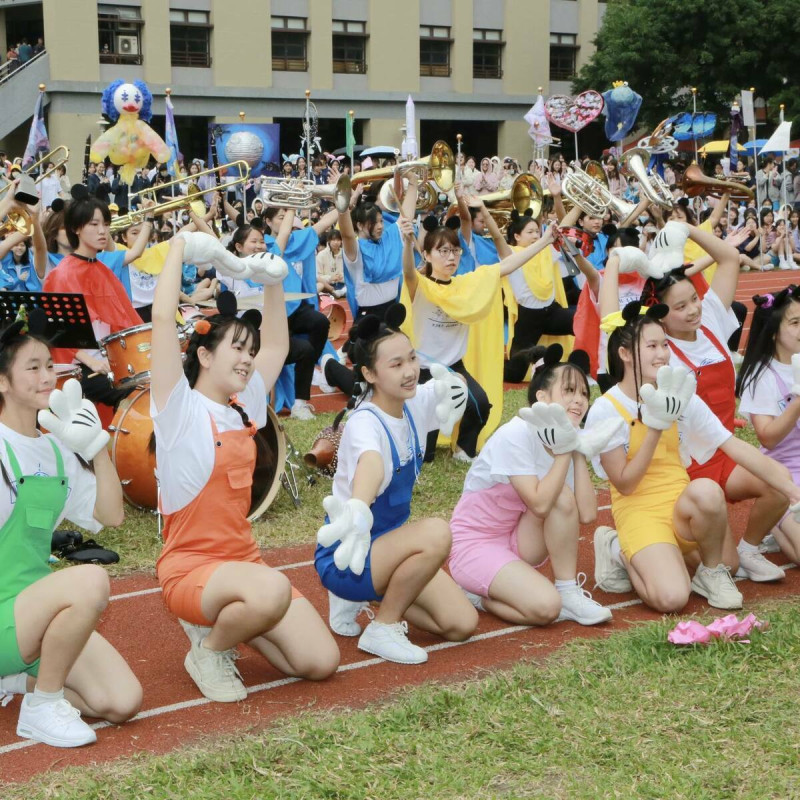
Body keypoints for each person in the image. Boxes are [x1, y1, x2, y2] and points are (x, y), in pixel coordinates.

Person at [150, 233, 339, 702]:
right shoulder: (178, 409)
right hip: (190, 568)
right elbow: (158, 317)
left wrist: (274, 283)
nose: (247, 357)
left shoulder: (244, 402)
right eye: (236, 348)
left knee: (320, 663)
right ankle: (209, 648)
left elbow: (276, 345)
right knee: (272, 591)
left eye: (248, 351)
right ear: (204, 356)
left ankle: (233, 620)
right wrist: (176, 249)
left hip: (243, 563)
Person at [0, 310, 141, 747]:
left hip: (35, 609)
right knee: (90, 580)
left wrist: (97, 450)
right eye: (34, 368)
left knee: (122, 702)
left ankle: (17, 683)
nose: (49, 376)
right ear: (2, 382)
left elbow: (112, 516)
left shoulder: (58, 451)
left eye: (49, 365)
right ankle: (43, 706)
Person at [315, 306, 477, 664]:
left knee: (461, 623)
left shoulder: (413, 401)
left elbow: (448, 385)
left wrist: (457, 385)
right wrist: (359, 506)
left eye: (412, 359)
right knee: (437, 533)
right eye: (395, 364)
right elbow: (371, 463)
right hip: (349, 552)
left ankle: (370, 600)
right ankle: (383, 626)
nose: (409, 372)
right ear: (370, 374)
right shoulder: (364, 423)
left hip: (388, 549)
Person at [638, 221, 794, 580]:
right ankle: (628, 545)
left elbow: (729, 258)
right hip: (687, 464)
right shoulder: (659, 350)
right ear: (661, 314)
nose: (693, 309)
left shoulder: (711, 319)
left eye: (693, 298)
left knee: (778, 485)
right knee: (725, 568)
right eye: (680, 307)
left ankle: (751, 546)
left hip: (726, 450)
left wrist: (684, 228)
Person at [448, 346, 615, 626]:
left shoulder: (566, 437)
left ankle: (568, 591)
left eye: (584, 394)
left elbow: (586, 514)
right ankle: (476, 596)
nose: (579, 400)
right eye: (569, 391)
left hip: (519, 539)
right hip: (475, 544)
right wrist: (565, 450)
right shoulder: (516, 432)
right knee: (546, 609)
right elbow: (539, 503)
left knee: (562, 497)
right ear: (542, 396)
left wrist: (576, 450)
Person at [404, 216, 556, 463]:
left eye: (455, 250)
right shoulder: (418, 285)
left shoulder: (466, 285)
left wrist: (547, 239)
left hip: (454, 369)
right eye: (442, 251)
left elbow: (507, 265)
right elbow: (408, 270)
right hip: (423, 371)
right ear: (427, 255)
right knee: (425, 455)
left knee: (480, 405)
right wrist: (405, 242)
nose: (451, 257)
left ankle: (464, 450)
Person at [737, 287, 800, 562]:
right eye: (796, 323)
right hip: (783, 475)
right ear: (774, 331)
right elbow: (768, 438)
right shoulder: (762, 375)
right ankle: (776, 518)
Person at [501, 211, 575, 383]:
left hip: (551, 312)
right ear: (516, 236)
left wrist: (568, 200)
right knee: (515, 375)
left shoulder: (547, 250)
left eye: (537, 231)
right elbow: (498, 238)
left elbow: (563, 228)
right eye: (530, 232)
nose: (535, 235)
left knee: (581, 321)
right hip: (528, 319)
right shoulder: (511, 253)